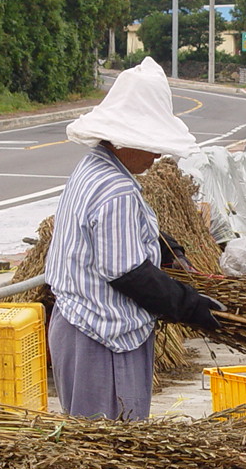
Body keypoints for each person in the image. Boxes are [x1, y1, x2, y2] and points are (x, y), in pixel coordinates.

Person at [45, 58, 223, 420]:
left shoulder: (93, 167)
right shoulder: (117, 190)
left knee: (94, 437)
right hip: (100, 336)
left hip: (77, 323)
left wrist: (165, 248)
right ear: (125, 137)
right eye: (151, 143)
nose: (157, 154)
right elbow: (128, 273)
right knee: (110, 440)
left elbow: (108, 234)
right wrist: (188, 305)